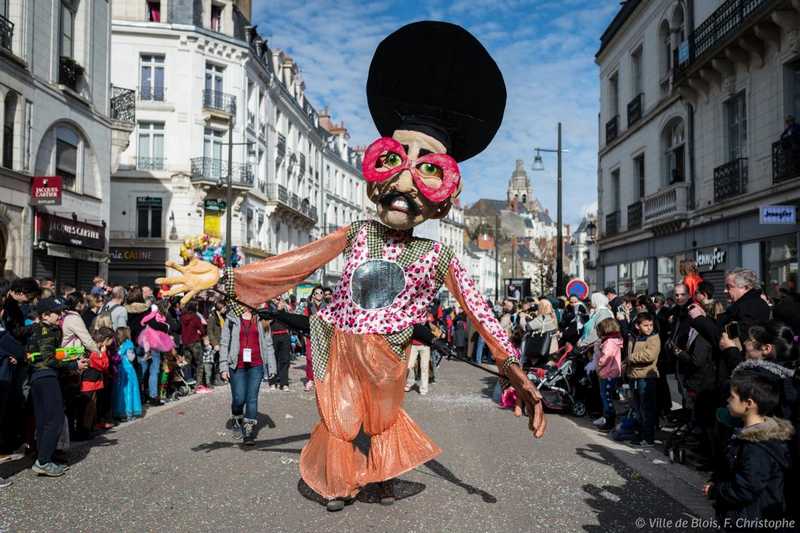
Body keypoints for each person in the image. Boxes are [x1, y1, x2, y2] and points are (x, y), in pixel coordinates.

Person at [157, 21, 546, 511]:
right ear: (374, 175)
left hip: (388, 354)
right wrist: (225, 276)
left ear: (445, 199)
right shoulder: (358, 232)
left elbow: (480, 312)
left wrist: (513, 368)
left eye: (427, 170)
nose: (406, 182)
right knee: (340, 418)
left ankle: (378, 480)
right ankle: (338, 484)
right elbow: (296, 263)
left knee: (380, 422)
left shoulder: (438, 254)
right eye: (395, 161)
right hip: (338, 342)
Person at [705, 369, 794, 528]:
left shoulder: (757, 446)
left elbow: (746, 487)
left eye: (732, 397)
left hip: (750, 519)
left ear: (749, 403)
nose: (727, 400)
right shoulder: (748, 434)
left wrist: (716, 490)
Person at [27, 297, 88, 476]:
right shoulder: (49, 330)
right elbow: (48, 359)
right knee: (55, 420)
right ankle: (43, 461)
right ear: (45, 315)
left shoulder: (35, 329)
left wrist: (69, 355)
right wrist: (74, 365)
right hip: (46, 377)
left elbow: (47, 353)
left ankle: (45, 456)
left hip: (36, 378)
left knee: (43, 420)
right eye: (57, 312)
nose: (61, 315)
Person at [218, 308, 276, 445]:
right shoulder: (231, 317)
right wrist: (223, 367)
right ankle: (237, 419)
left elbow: (268, 344)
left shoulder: (261, 317)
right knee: (238, 398)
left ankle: (248, 430)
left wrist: (272, 366)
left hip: (257, 365)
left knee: (251, 398)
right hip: (237, 365)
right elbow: (224, 342)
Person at [625, 312, 660, 446]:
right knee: (638, 408)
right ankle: (640, 433)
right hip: (634, 376)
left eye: (651, 325)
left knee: (647, 408)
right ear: (637, 326)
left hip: (646, 376)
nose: (649, 328)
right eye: (646, 325)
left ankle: (648, 437)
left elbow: (649, 355)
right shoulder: (634, 337)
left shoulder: (653, 338)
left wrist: (631, 358)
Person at [138, 303, 175, 405]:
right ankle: (153, 396)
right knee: (154, 371)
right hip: (155, 347)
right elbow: (167, 332)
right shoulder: (162, 323)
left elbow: (143, 323)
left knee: (143, 371)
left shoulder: (148, 317)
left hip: (143, 343)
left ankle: (139, 396)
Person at [595, 317, 623, 431]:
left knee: (606, 397)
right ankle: (608, 418)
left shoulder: (610, 341)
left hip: (608, 372)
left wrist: (599, 364)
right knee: (607, 396)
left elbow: (606, 356)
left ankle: (610, 420)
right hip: (610, 371)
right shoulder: (613, 340)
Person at [112, 326, 142, 421]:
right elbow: (131, 358)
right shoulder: (129, 344)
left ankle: (119, 412)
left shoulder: (116, 346)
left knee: (120, 392)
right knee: (129, 390)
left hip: (119, 370)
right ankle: (128, 412)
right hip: (128, 370)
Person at [303, 286, 326, 391]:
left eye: (321, 293)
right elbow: (304, 321)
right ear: (313, 295)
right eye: (316, 293)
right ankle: (310, 379)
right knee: (310, 358)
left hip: (323, 335)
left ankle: (320, 380)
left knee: (322, 358)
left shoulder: (326, 307)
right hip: (310, 335)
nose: (319, 294)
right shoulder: (308, 307)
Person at [180, 301, 206, 392]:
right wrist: (200, 333)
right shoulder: (196, 317)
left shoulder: (182, 317)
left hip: (185, 343)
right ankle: (198, 384)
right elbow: (202, 331)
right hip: (195, 342)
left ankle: (188, 381)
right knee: (199, 364)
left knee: (187, 363)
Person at [267, 297, 292, 391]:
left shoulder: (285, 304)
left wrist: (286, 308)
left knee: (285, 360)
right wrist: (277, 311)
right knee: (273, 360)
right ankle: (273, 382)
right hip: (273, 335)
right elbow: (266, 322)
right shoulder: (267, 305)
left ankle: (284, 383)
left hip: (285, 334)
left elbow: (291, 319)